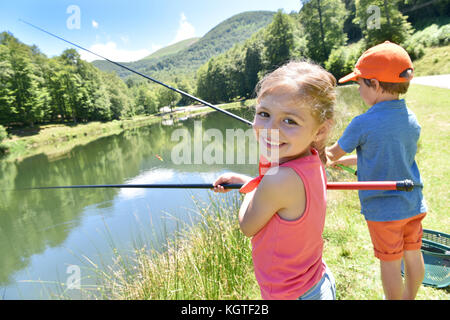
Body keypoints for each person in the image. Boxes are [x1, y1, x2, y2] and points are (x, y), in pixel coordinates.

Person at [213, 61, 337, 300]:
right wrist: (248, 181)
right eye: (264, 114)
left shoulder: (278, 180)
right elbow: (280, 194)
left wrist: (250, 189)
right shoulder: (314, 159)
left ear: (320, 130)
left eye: (289, 121)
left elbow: (247, 226)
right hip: (317, 283)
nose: (271, 129)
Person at [326, 41, 427, 300]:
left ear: (376, 85)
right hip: (413, 204)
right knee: (413, 255)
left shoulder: (362, 122)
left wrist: (312, 148)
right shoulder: (411, 119)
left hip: (384, 212)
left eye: (360, 84)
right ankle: (409, 297)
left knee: (390, 264)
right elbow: (383, 157)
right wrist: (342, 162)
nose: (359, 90)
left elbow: (329, 154)